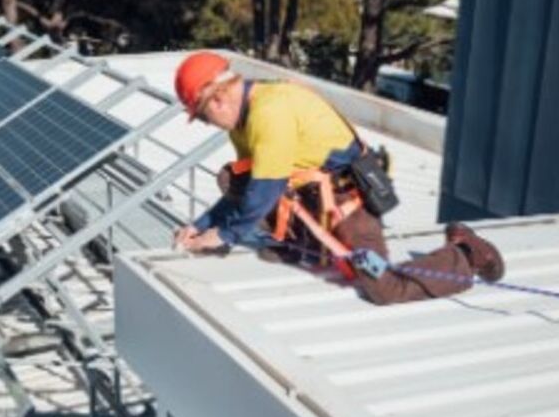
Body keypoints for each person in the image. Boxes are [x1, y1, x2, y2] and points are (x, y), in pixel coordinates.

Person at [172, 51, 505, 305]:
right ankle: (300, 244)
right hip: (312, 197)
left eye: (202, 118)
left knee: (384, 288)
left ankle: (466, 253)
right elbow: (246, 189)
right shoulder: (243, 121)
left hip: (348, 203)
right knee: (234, 178)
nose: (207, 124)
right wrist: (202, 225)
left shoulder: (268, 111)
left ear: (216, 100)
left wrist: (225, 235)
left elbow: (268, 186)